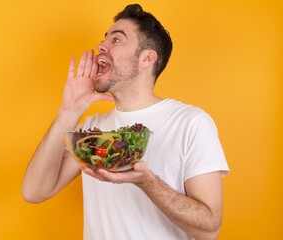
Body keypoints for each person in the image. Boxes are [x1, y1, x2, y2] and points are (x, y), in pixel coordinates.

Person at [22, 3, 229, 240]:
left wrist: (147, 182)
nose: (101, 46)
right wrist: (68, 112)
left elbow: (209, 229)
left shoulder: (191, 123)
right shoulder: (91, 130)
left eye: (117, 40)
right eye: (105, 39)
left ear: (146, 59)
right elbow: (34, 191)